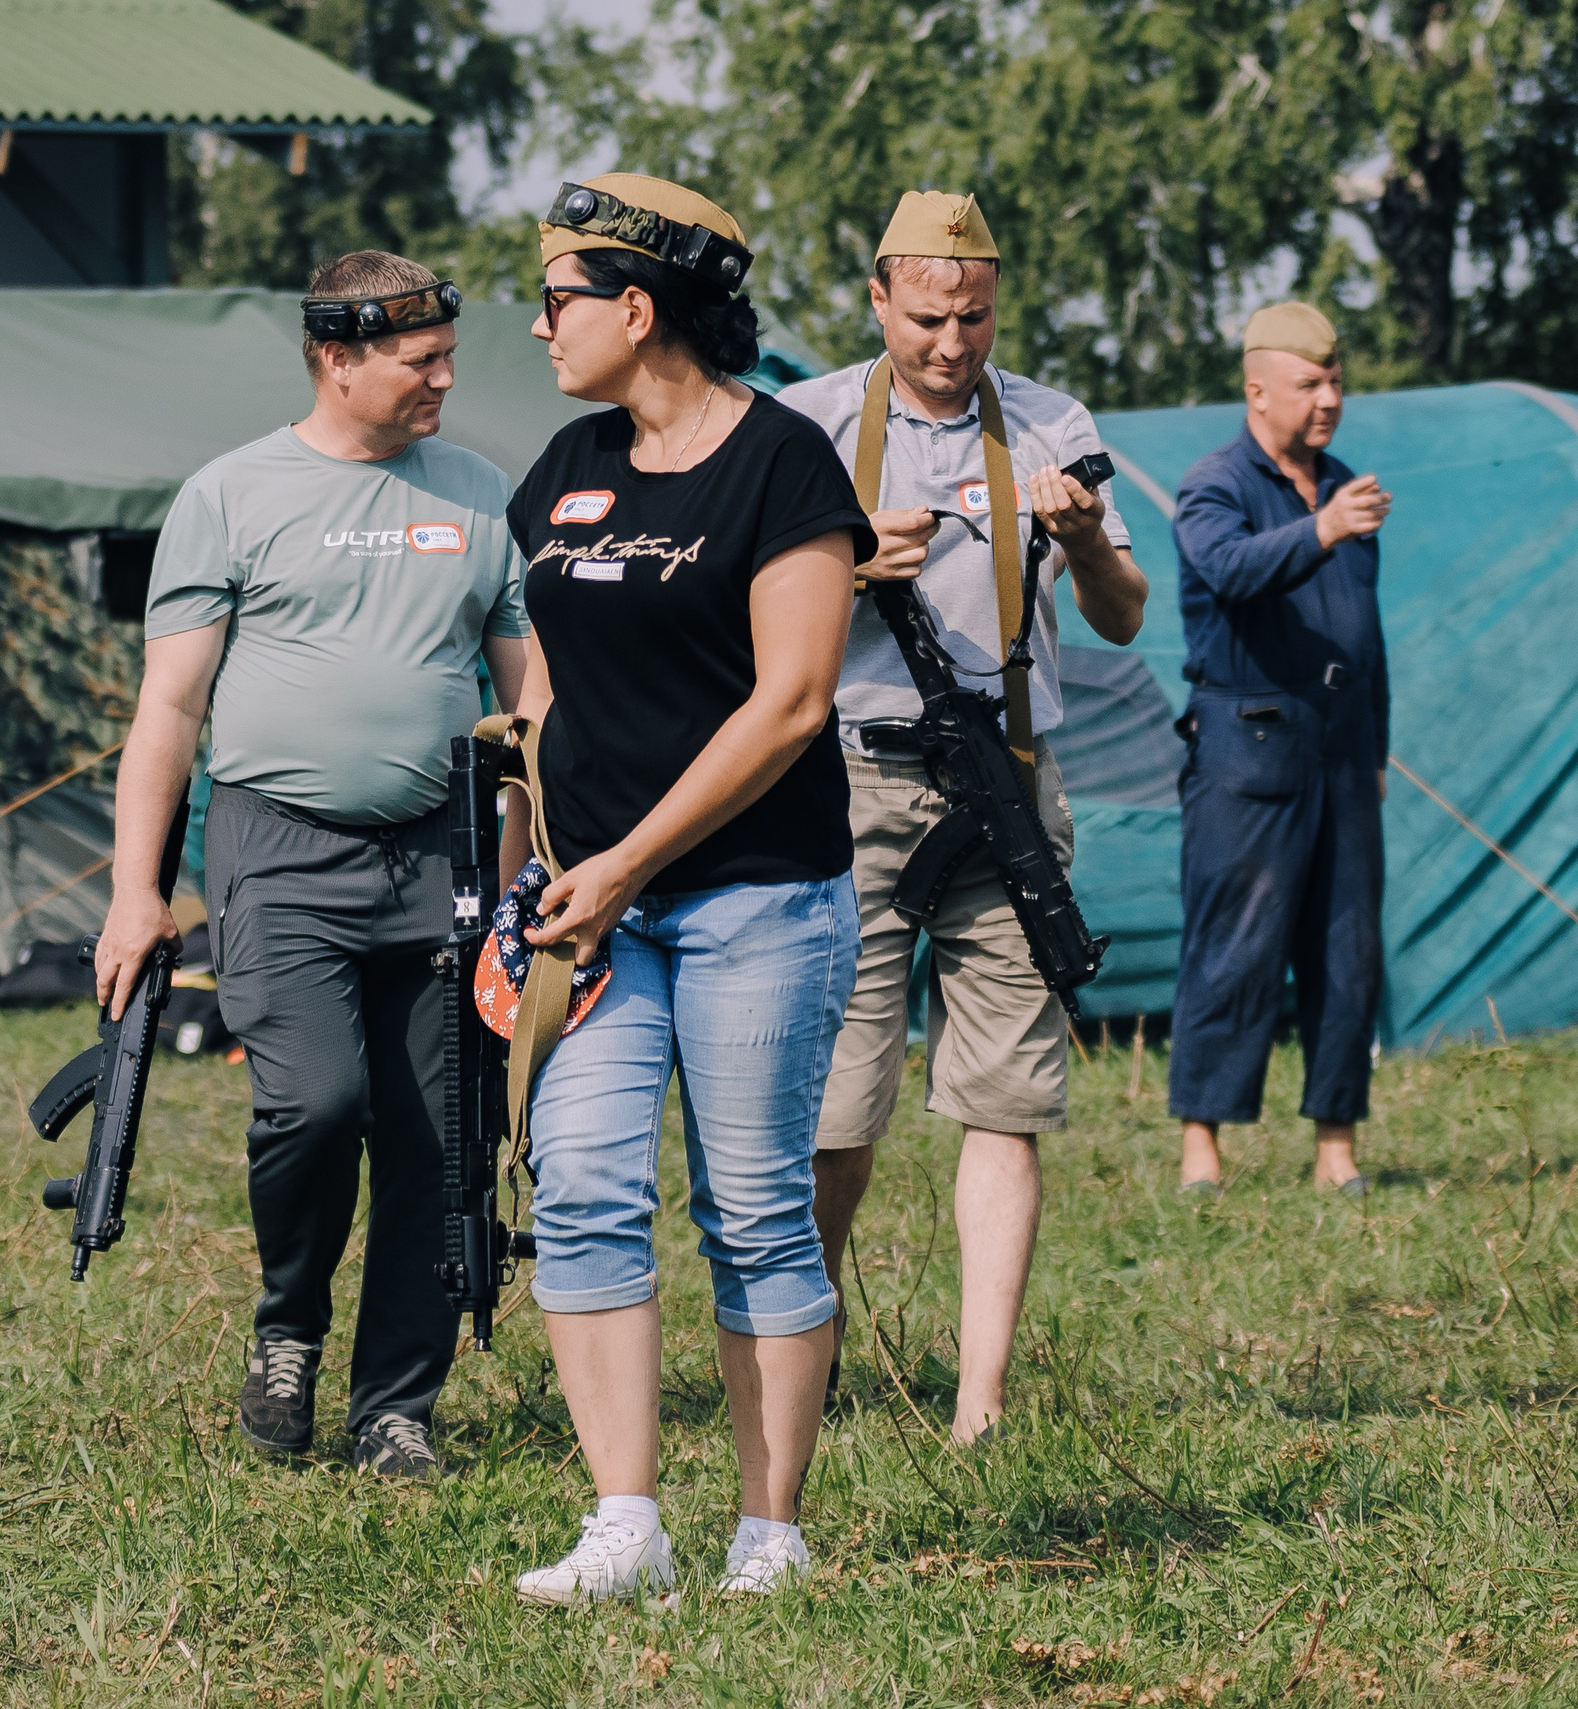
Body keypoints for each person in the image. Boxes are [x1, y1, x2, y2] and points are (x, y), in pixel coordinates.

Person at [94, 251, 532, 1480]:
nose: (446, 379)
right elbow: (169, 710)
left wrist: (523, 872)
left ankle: (396, 1403)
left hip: (443, 852)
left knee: (437, 1137)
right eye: (420, 361)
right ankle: (288, 1323)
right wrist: (136, 891)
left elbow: (528, 706)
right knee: (314, 1101)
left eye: (449, 357)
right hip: (276, 848)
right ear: (337, 359)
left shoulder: (480, 493)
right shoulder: (229, 495)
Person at [500, 174, 868, 1603]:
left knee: (755, 1208)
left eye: (559, 302)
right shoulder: (566, 464)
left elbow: (792, 705)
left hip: (754, 898)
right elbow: (543, 690)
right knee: (582, 1186)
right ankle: (625, 1523)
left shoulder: (784, 465)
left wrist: (625, 861)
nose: (539, 328)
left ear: (636, 307)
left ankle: (768, 1532)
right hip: (590, 906)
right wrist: (537, 859)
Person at [776, 192, 1148, 1445]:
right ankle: (802, 1343)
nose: (951, 343)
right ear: (877, 300)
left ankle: (978, 1404)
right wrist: (840, 560)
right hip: (845, 777)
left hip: (1006, 775)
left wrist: (1087, 537)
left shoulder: (1052, 423)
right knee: (837, 1101)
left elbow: (1124, 613)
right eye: (927, 318)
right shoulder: (806, 424)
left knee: (1005, 1093)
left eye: (974, 318)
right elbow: (731, 610)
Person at [1168, 303, 1387, 1197]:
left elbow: (1365, 635)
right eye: (1310, 383)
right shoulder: (1215, 483)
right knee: (1234, 946)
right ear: (1258, 391)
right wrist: (1323, 530)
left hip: (1342, 748)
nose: (1329, 397)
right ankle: (1201, 1151)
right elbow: (1230, 571)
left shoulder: (1339, 481)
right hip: (1245, 748)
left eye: (1336, 380)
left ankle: (1336, 1147)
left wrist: (1375, 747)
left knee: (1348, 946)